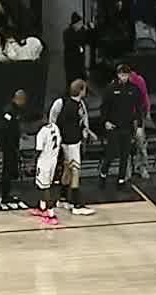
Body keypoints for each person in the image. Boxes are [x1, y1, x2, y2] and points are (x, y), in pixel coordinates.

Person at [49, 79, 97, 215]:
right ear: (81, 90)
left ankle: (63, 199)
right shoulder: (61, 103)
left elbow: (83, 122)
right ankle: (77, 205)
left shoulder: (79, 104)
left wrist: (88, 132)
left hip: (72, 141)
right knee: (76, 170)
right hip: (70, 143)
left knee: (68, 169)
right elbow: (52, 121)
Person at [99, 64, 141, 189]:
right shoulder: (110, 89)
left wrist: (139, 125)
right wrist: (105, 121)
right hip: (113, 126)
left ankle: (121, 179)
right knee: (111, 153)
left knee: (125, 155)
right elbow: (104, 107)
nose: (124, 77)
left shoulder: (134, 89)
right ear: (118, 75)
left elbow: (139, 108)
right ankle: (103, 174)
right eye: (122, 75)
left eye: (126, 75)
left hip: (127, 126)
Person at [0, 89, 27, 205]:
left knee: (9, 171)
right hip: (6, 146)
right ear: (17, 99)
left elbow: (15, 127)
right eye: (23, 99)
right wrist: (1, 147)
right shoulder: (9, 111)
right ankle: (1, 195)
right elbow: (3, 129)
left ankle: (5, 193)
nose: (24, 102)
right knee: (5, 171)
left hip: (12, 145)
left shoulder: (17, 110)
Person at [29, 117, 62, 227]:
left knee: (45, 188)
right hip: (53, 160)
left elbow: (38, 151)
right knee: (43, 185)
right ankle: (42, 208)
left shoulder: (42, 132)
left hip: (44, 162)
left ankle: (51, 215)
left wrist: (32, 163)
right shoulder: (55, 127)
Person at [62, 12, 88, 85]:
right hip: (71, 60)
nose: (81, 25)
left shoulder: (82, 31)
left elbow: (85, 41)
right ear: (75, 24)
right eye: (79, 23)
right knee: (72, 78)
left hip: (80, 60)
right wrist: (79, 46)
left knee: (81, 78)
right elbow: (70, 44)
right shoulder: (67, 32)